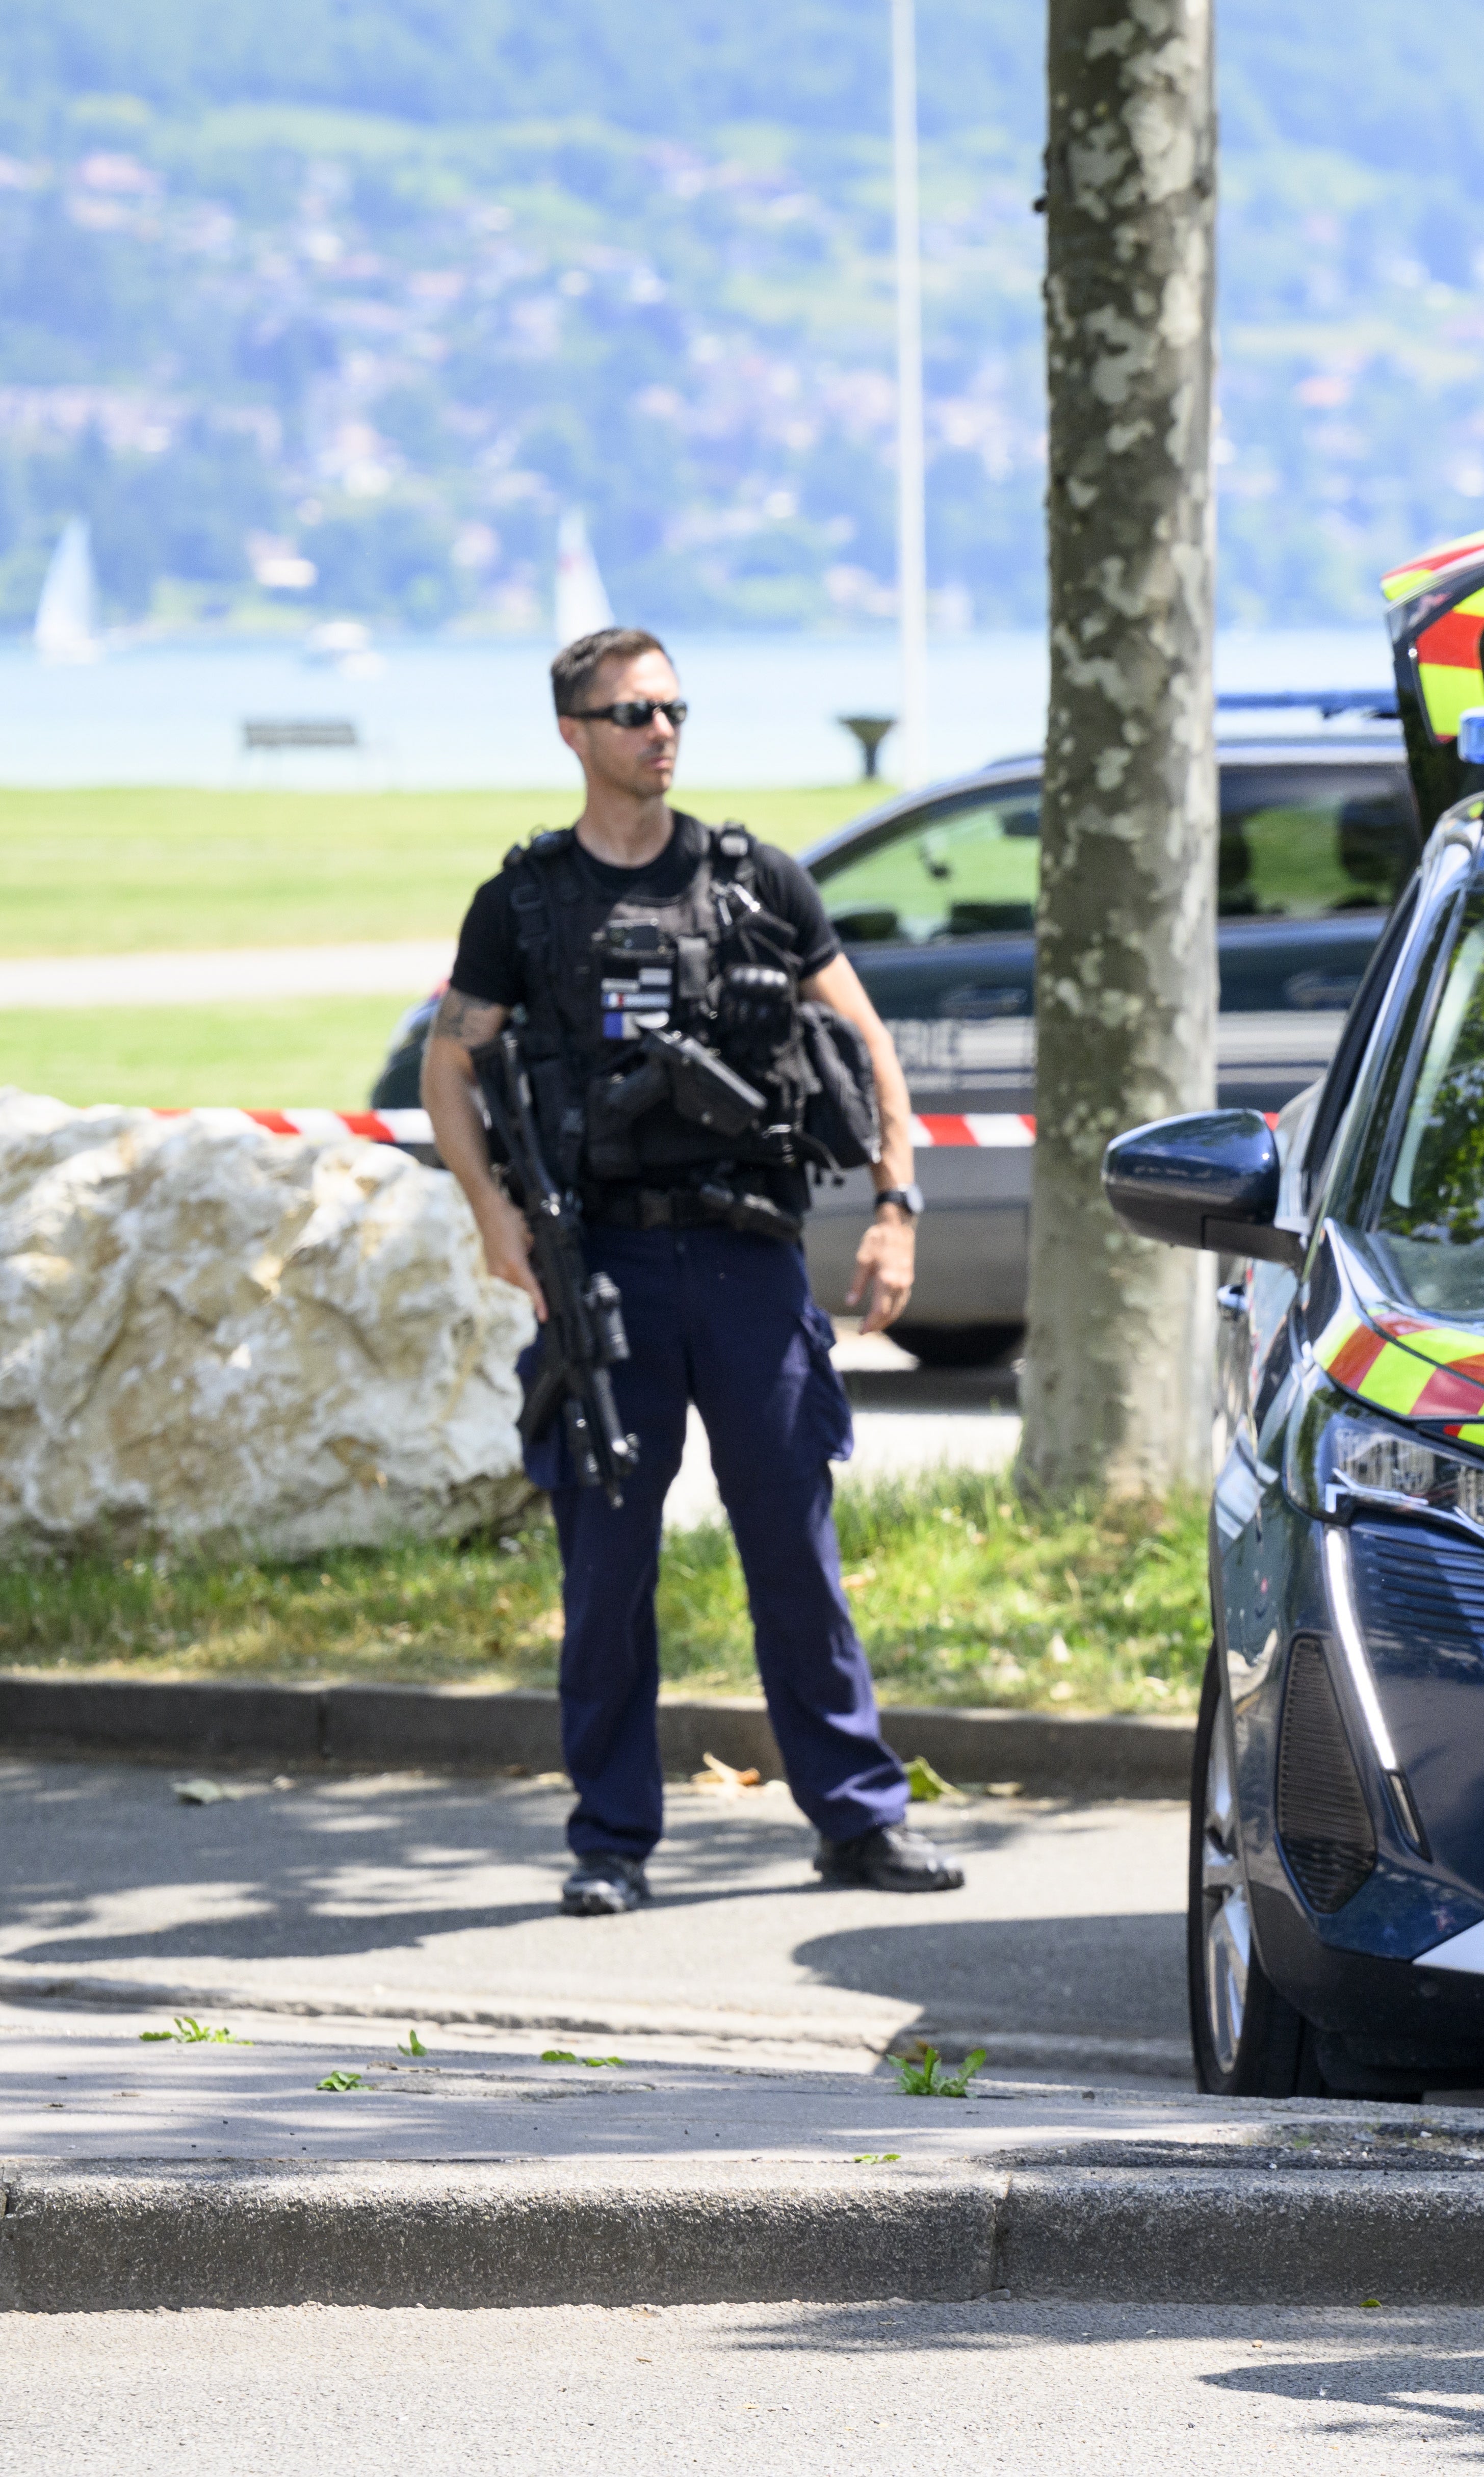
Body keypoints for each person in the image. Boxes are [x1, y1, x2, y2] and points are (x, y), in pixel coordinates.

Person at [424, 625, 967, 1917]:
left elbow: (866, 1038)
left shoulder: (755, 882)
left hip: (746, 1262)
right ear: (574, 732)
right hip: (600, 1264)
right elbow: (454, 1063)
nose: (659, 731)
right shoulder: (525, 903)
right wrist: (495, 1216)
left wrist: (896, 1207)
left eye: (673, 708)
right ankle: (611, 1837)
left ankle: (855, 1818)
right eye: (630, 713)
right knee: (606, 1567)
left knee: (794, 1545)